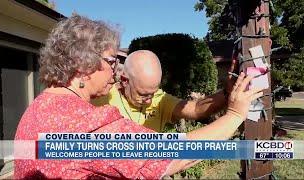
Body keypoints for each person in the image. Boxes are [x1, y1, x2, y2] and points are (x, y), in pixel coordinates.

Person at [14, 14, 263, 179]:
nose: (115, 69)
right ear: (83, 65)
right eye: (111, 61)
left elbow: (196, 108)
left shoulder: (37, 108)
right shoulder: (85, 122)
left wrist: (227, 93)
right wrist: (235, 114)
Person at [92, 50, 237, 132]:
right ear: (125, 81)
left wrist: (227, 92)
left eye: (152, 93)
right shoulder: (100, 99)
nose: (149, 100)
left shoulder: (159, 99)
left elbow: (196, 109)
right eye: (143, 94)